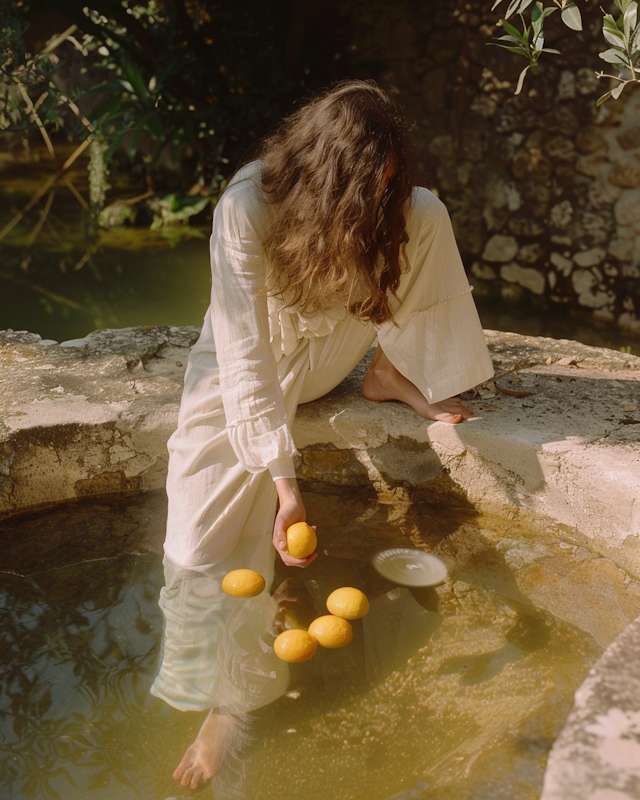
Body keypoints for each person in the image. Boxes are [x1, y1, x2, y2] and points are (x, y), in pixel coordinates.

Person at [150, 79, 494, 790]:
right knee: (193, 551)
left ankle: (389, 376)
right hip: (241, 372)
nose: (384, 202)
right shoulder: (247, 207)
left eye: (393, 183)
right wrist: (286, 488)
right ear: (327, 173)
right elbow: (243, 356)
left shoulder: (405, 207)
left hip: (333, 359)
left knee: (428, 214)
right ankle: (222, 684)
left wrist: (394, 359)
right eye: (372, 188)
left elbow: (409, 265)